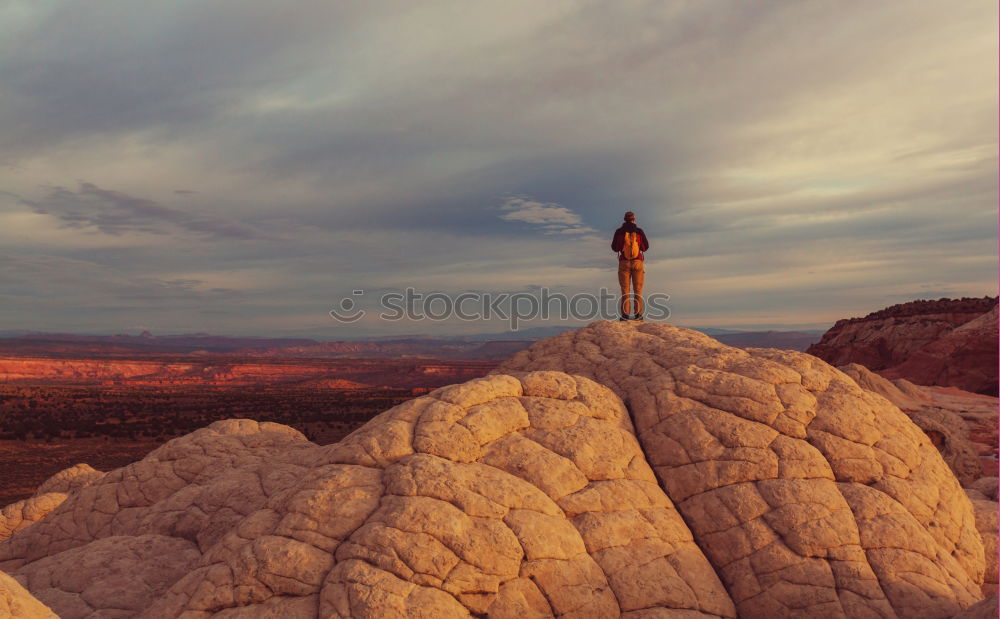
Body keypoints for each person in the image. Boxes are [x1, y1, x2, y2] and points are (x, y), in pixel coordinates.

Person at [611, 211, 649, 321]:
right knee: (638, 289)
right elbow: (645, 247)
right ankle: (638, 314)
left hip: (624, 262)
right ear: (634, 219)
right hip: (637, 262)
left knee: (625, 289)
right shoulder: (639, 231)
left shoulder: (619, 232)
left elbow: (615, 248)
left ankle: (625, 315)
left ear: (624, 219)